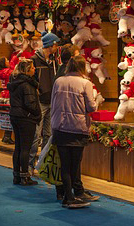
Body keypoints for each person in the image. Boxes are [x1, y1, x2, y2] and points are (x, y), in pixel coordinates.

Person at [53, 44, 100, 203]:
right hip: (77, 127)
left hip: (60, 126)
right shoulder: (85, 83)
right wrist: (97, 101)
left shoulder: (59, 81)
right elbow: (91, 107)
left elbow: (53, 103)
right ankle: (74, 194)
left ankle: (67, 196)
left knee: (64, 165)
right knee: (75, 164)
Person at [29, 31, 60, 172]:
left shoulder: (54, 61)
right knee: (36, 133)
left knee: (48, 134)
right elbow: (32, 79)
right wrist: (39, 91)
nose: (57, 47)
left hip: (51, 101)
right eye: (55, 44)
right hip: (40, 101)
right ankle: (29, 164)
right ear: (50, 45)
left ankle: (43, 164)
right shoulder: (34, 60)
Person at [8, 59, 41, 186]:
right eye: (32, 68)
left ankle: (17, 175)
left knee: (18, 147)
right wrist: (37, 114)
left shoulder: (15, 82)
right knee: (25, 148)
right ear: (27, 70)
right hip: (26, 118)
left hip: (15, 116)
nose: (34, 70)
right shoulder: (27, 84)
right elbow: (30, 103)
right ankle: (24, 176)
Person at [0, 55, 19, 144]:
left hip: (4, 94)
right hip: (9, 94)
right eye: (7, 60)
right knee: (10, 116)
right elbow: (14, 72)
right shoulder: (7, 72)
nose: (8, 61)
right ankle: (7, 136)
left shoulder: (1, 72)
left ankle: (6, 135)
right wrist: (14, 60)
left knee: (6, 116)